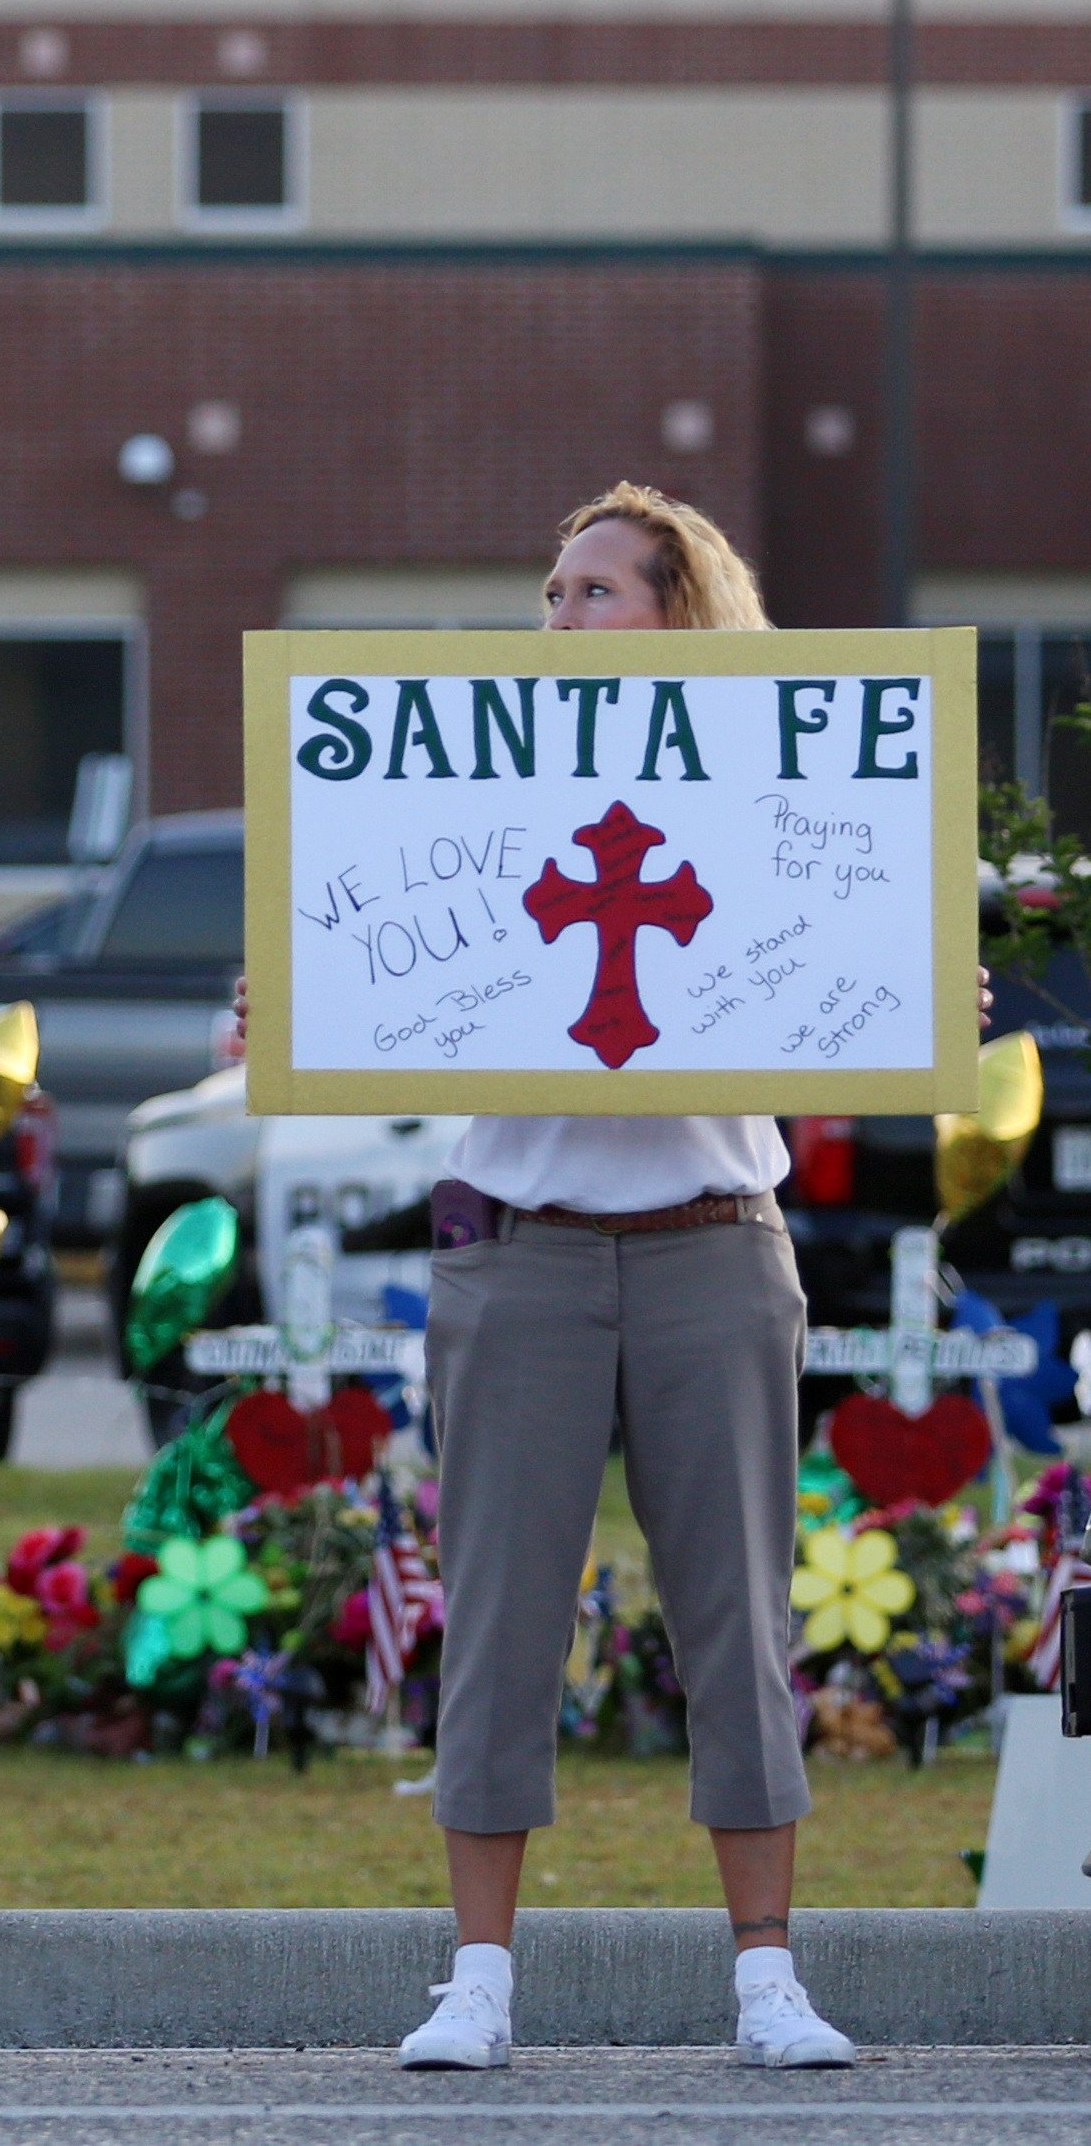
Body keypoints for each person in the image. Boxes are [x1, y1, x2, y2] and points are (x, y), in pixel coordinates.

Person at [223, 483, 990, 2075]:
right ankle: (478, 1979)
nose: (557, 616)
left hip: (716, 1247)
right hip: (521, 1254)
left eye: (590, 592)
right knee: (500, 1615)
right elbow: (387, 952)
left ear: (675, 611)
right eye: (550, 591)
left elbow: (841, 967)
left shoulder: (779, 786)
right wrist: (286, 1000)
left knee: (736, 1618)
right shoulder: (462, 786)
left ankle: (767, 1978)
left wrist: (923, 983)